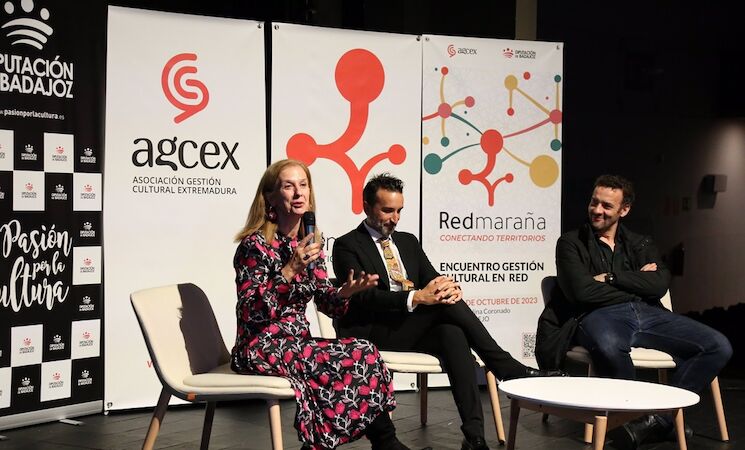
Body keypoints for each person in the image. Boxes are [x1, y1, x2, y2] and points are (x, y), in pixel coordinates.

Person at [332, 173, 560, 450]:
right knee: (443, 310)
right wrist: (418, 297)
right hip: (374, 331)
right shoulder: (347, 245)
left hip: (411, 327)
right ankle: (505, 366)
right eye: (388, 210)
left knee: (453, 334)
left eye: (400, 210)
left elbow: (432, 278)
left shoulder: (407, 241)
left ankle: (474, 437)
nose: (395, 218)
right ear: (367, 206)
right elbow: (364, 299)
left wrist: (450, 289)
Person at [231, 160, 427, 450]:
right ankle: (382, 445)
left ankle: (385, 443)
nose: (299, 192)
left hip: (298, 343)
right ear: (270, 196)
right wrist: (289, 270)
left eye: (303, 185)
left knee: (365, 350)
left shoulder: (310, 243)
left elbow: (327, 302)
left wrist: (345, 293)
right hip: (260, 346)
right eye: (288, 186)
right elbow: (251, 310)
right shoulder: (255, 246)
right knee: (345, 359)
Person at [537, 174, 732, 449]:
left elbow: (660, 284)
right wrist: (638, 283)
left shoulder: (640, 243)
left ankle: (657, 420)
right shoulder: (571, 242)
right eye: (594, 202)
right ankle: (639, 420)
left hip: (647, 312)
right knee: (609, 346)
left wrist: (611, 278)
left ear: (624, 210)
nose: (597, 210)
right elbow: (582, 293)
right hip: (598, 314)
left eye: (607, 206)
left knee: (717, 346)